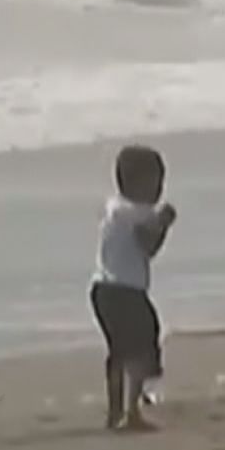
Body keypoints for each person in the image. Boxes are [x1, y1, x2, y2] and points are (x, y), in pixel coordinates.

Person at [91, 144, 177, 432]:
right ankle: (130, 411)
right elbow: (148, 243)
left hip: (105, 289)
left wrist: (159, 225)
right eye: (155, 183)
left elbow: (145, 248)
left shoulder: (114, 208)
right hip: (125, 292)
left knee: (120, 351)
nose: (159, 190)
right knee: (139, 347)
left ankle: (117, 410)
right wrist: (163, 222)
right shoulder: (134, 212)